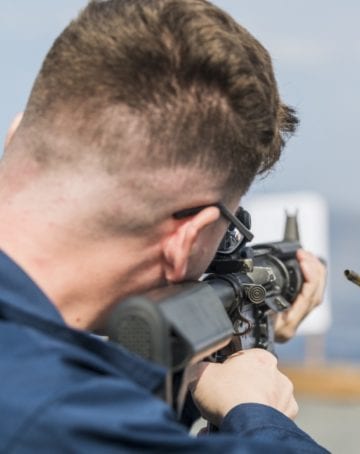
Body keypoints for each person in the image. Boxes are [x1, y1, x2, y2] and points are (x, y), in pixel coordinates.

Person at [0, 0, 328, 452]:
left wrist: (195, 362)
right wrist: (256, 411)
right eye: (230, 231)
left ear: (16, 135)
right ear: (186, 238)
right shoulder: (55, 415)